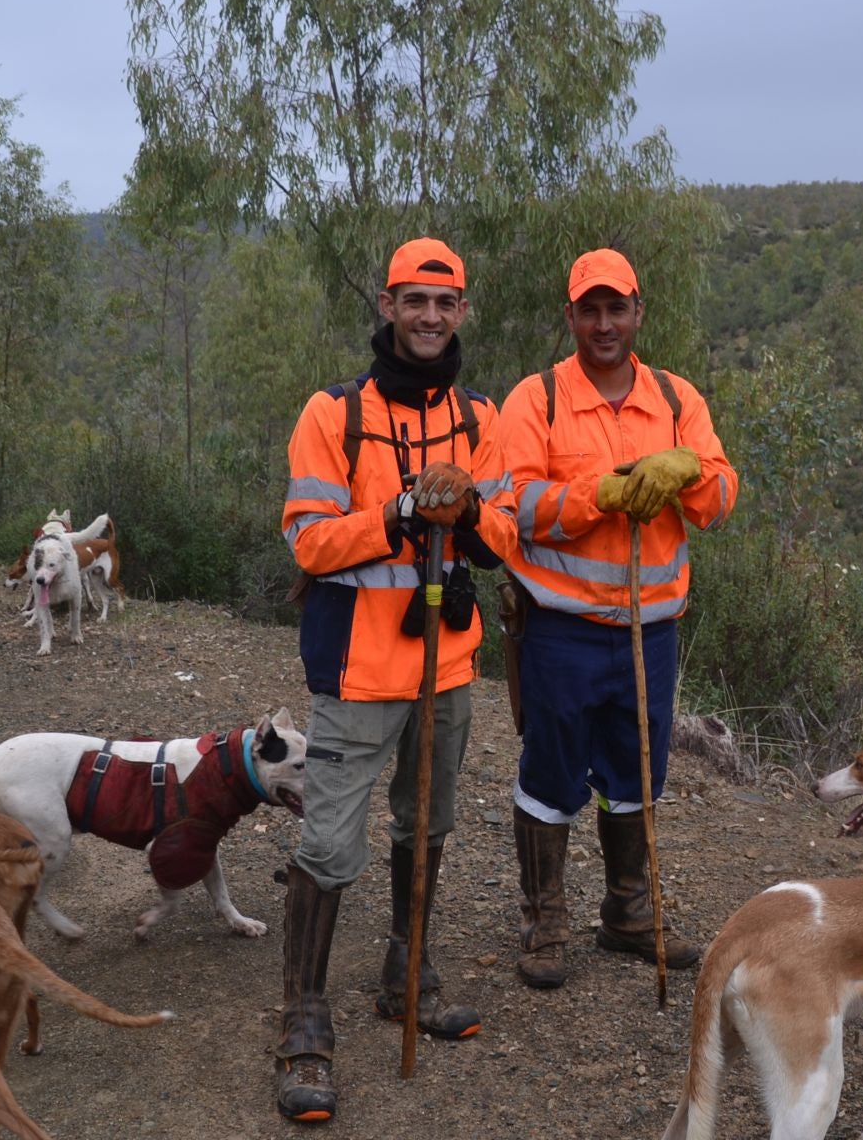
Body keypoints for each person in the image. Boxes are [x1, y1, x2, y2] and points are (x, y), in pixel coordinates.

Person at [275, 237, 516, 1124]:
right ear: (386, 305)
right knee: (331, 846)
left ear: (461, 312)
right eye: (413, 300)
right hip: (356, 670)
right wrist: (402, 511)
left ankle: (403, 974)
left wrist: (474, 512)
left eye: (443, 303)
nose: (428, 317)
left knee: (430, 824)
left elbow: (505, 547)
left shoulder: (481, 419)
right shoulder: (332, 414)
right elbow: (309, 541)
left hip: (446, 666)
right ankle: (303, 1023)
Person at [497, 247, 739, 990]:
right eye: (589, 309)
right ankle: (546, 919)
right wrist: (597, 495)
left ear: (640, 312)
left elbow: (722, 495)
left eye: (617, 308)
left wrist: (686, 471)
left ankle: (629, 914)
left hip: (650, 629)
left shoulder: (674, 400)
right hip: (560, 627)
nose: (604, 323)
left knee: (638, 770)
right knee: (552, 770)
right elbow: (514, 508)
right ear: (570, 316)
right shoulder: (534, 400)